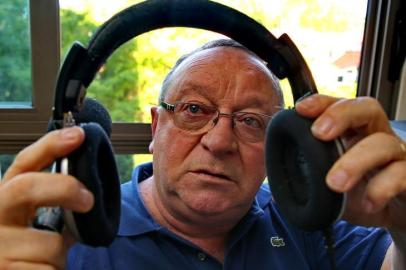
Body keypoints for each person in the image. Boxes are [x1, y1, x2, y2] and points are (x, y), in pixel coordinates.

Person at [0, 39, 405, 269]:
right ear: (157, 128)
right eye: (194, 110)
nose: (220, 141)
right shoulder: (65, 235)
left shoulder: (310, 223)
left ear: (280, 149)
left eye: (250, 121)